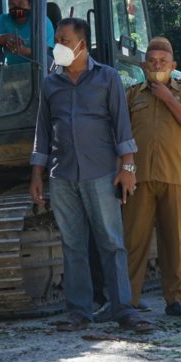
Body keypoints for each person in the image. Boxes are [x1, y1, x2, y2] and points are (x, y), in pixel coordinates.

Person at [30, 18, 151, 333]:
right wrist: (37, 173)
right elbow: (42, 131)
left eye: (65, 40)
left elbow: (121, 125)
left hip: (101, 172)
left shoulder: (107, 78)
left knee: (111, 241)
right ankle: (79, 312)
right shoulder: (49, 83)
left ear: (82, 44)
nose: (58, 46)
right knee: (72, 244)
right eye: (56, 39)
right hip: (62, 174)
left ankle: (124, 309)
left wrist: (127, 167)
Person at [122, 37, 181, 317]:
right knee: (134, 241)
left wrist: (168, 99)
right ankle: (128, 301)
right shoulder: (132, 95)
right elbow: (119, 135)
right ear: (144, 65)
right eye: (152, 62)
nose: (157, 66)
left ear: (173, 66)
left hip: (176, 178)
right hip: (139, 178)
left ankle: (174, 299)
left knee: (173, 241)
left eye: (163, 62)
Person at [0, 0, 55, 65]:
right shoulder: (3, 19)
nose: (16, 8)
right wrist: (7, 37)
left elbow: (44, 51)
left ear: (30, 5)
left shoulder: (42, 21)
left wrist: (23, 51)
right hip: (10, 70)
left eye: (21, 4)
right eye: (12, 5)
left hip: (37, 71)